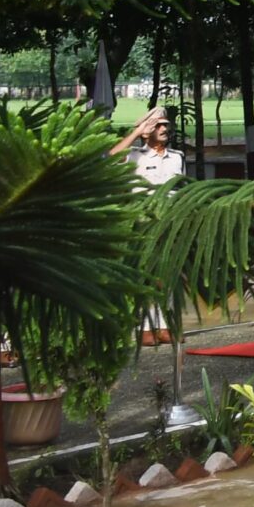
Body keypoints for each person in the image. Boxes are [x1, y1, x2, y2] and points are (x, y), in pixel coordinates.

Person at [112, 106, 183, 341]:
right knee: (145, 275)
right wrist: (137, 131)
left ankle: (164, 325)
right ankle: (143, 327)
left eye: (165, 125)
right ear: (146, 132)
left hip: (168, 221)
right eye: (158, 125)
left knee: (168, 275)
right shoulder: (135, 156)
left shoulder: (177, 158)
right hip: (143, 222)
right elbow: (109, 159)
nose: (164, 129)